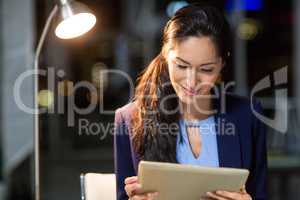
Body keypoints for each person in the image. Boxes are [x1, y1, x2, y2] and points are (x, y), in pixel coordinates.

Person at [114, 4, 267, 200]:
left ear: (222, 64)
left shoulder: (248, 115)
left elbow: (260, 192)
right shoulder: (129, 118)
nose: (191, 82)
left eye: (206, 69)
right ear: (165, 55)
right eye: (182, 65)